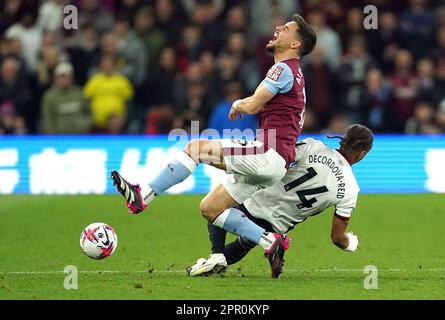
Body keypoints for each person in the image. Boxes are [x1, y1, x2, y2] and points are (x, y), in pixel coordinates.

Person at [111, 14, 316, 277]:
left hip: (268, 152)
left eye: (286, 29)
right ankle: (271, 242)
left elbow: (252, 105)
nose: (278, 28)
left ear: (295, 44)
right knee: (210, 208)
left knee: (196, 147)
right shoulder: (296, 74)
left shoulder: (282, 69)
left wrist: (237, 103)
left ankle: (143, 196)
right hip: (277, 161)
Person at [187, 124, 374, 278]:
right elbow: (337, 238)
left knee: (216, 206)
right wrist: (351, 243)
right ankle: (223, 256)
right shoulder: (350, 189)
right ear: (362, 154)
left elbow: (281, 158)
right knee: (245, 242)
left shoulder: (313, 146)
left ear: (342, 140)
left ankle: (217, 253)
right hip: (276, 224)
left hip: (253, 201)